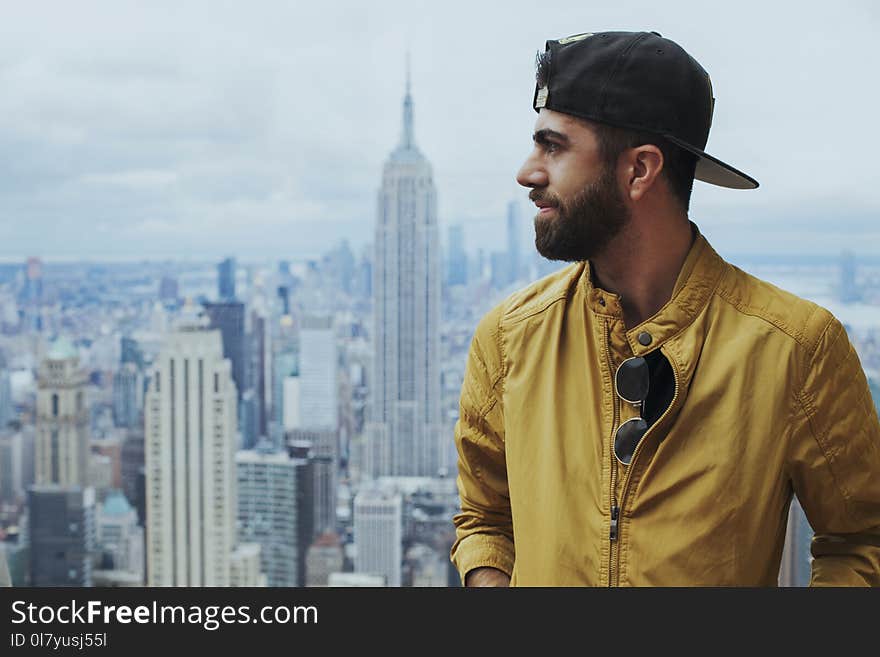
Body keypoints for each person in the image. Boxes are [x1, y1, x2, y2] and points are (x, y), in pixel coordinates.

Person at [450, 30, 880, 586]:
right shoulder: (508, 337)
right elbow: (484, 519)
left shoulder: (795, 349)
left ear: (639, 170)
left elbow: (862, 540)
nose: (528, 172)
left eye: (553, 146)